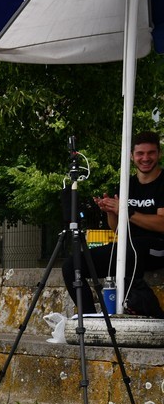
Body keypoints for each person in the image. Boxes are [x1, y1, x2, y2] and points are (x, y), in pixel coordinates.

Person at [63, 131, 164, 315]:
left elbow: (161, 224)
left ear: (159, 154)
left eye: (151, 153)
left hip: (156, 249)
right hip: (128, 249)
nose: (145, 158)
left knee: (132, 248)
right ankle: (89, 317)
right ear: (132, 156)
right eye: (140, 154)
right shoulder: (126, 184)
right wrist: (111, 211)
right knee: (72, 265)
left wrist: (126, 211)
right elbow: (117, 228)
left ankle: (152, 312)